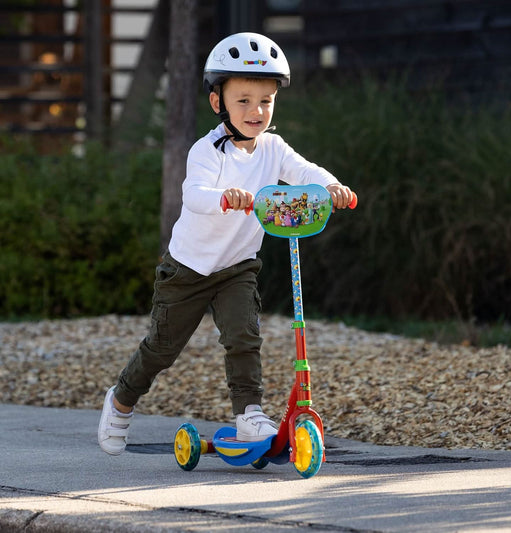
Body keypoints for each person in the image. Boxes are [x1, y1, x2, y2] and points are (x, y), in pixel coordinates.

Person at [98, 32, 354, 455]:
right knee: (162, 350)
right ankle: (122, 399)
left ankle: (249, 412)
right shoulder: (208, 151)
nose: (256, 111)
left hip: (236, 267)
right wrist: (224, 198)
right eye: (244, 100)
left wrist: (332, 186)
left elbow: (304, 170)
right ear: (218, 102)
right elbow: (193, 194)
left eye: (265, 101)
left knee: (243, 336)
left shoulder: (274, 148)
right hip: (188, 269)